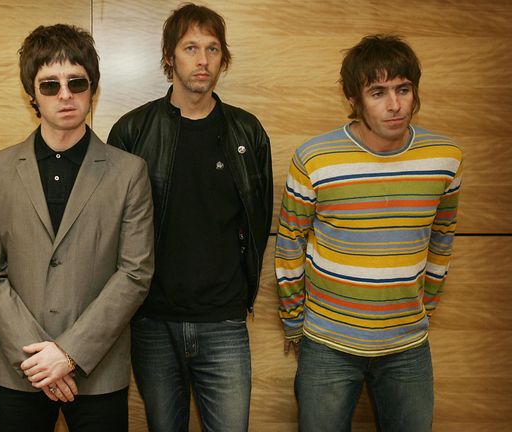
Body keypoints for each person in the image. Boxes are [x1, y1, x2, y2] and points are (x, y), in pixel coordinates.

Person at [0, 24, 154, 432]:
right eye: (50, 85)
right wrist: (39, 360)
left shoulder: (129, 172)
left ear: (93, 88)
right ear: (32, 95)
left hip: (97, 371)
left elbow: (135, 273)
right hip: (21, 370)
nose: (65, 95)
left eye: (77, 82)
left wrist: (68, 354)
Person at [275, 34, 463, 431]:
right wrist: (293, 319)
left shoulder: (445, 159)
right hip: (328, 342)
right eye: (377, 92)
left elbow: (442, 239)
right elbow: (290, 242)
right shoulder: (314, 158)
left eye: (403, 89)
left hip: (408, 345)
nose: (394, 105)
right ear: (353, 99)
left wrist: (423, 308)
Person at [108, 4, 273, 430]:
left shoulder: (247, 132)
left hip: (224, 321)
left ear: (223, 58)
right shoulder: (132, 131)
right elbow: (115, 228)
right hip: (152, 321)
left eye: (213, 48)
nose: (202, 60)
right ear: (169, 57)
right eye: (190, 48)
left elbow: (257, 221)